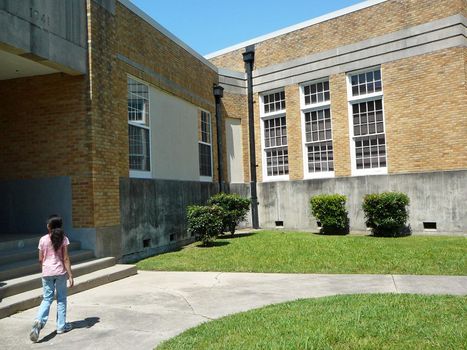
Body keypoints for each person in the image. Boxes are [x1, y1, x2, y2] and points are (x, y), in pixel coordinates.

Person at [29, 215, 74, 342]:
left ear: (49, 226)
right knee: (61, 299)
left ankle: (38, 321)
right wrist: (70, 275)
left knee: (47, 299)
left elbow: (40, 259)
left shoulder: (43, 240)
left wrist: (45, 268)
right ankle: (61, 326)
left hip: (47, 272)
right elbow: (65, 258)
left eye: (47, 223)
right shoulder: (64, 239)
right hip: (60, 272)